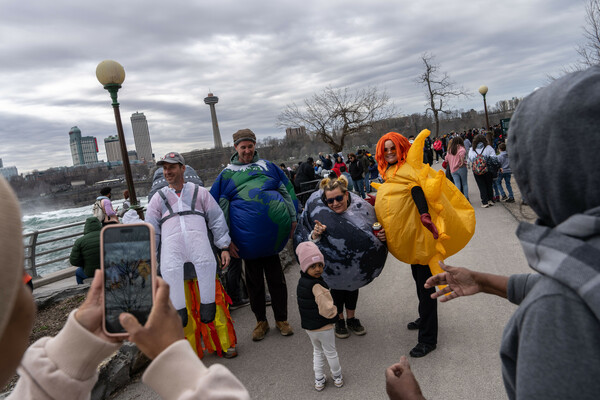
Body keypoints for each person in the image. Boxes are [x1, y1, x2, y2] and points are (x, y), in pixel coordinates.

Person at [387, 65, 600, 400]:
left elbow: (567, 294)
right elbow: (578, 279)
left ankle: (428, 336)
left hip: (425, 242)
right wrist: (484, 282)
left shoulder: (560, 317)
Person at [0, 176, 250, 400]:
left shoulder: (187, 195)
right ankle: (219, 345)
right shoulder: (164, 200)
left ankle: (220, 344)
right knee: (195, 312)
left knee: (202, 308)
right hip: (186, 271)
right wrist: (174, 358)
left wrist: (75, 345)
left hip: (191, 269)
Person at [374, 131, 475, 358]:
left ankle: (428, 339)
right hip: (414, 238)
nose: (390, 152)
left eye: (393, 148)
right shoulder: (391, 171)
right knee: (419, 280)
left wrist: (424, 214)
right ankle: (423, 318)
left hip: (423, 236)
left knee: (426, 286)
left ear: (401, 148)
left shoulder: (408, 169)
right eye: (386, 149)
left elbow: (416, 189)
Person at [146, 152, 237, 358]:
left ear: (182, 168)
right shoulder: (158, 200)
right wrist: (150, 260)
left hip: (203, 262)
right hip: (175, 268)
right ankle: (191, 352)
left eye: (172, 167)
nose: (167, 172)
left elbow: (216, 219)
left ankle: (225, 343)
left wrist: (223, 247)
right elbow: (152, 231)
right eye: (165, 168)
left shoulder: (200, 193)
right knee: (181, 312)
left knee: (215, 304)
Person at [210, 129, 299, 342]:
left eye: (250, 146)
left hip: (272, 238)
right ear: (236, 148)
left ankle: (281, 319)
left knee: (277, 280)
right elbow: (215, 210)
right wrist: (225, 242)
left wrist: (293, 218)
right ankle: (261, 321)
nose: (247, 150)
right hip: (245, 243)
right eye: (243, 147)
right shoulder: (226, 175)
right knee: (254, 283)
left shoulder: (269, 167)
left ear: (255, 145)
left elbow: (288, 191)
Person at [294, 175, 388, 339]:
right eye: (330, 201)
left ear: (346, 195)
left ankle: (351, 318)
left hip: (356, 263)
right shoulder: (320, 215)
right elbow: (307, 240)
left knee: (352, 288)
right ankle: (340, 321)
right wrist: (316, 234)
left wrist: (381, 236)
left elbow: (376, 228)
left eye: (339, 198)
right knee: (337, 288)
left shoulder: (361, 208)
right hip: (334, 264)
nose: (335, 203)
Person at [296, 241, 344, 391]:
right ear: (305, 267)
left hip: (310, 327)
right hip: (324, 326)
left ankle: (319, 379)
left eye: (320, 265)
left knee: (317, 351)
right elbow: (327, 308)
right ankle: (337, 377)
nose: (317, 269)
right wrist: (335, 316)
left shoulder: (302, 282)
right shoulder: (317, 285)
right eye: (312, 266)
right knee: (331, 352)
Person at [69, 216, 102, 285]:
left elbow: (74, 261)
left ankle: (82, 291)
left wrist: (85, 264)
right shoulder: (108, 235)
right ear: (99, 224)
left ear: (86, 227)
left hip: (91, 273)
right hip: (110, 270)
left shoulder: (80, 241)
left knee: (78, 272)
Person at [468, 134, 497, 208]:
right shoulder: (488, 148)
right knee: (489, 184)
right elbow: (494, 158)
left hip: (477, 170)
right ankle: (490, 200)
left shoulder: (472, 149)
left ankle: (484, 202)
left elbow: (470, 159)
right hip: (487, 169)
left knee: (481, 185)